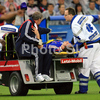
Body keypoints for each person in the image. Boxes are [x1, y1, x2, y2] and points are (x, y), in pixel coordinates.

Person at [64, 7, 100, 94]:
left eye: (66, 15)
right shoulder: (82, 17)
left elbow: (81, 38)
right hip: (97, 43)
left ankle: (83, 90)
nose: (64, 17)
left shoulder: (74, 24)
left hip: (87, 46)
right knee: (96, 68)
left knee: (83, 68)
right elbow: (96, 17)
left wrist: (72, 47)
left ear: (71, 15)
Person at [15, 11, 53, 82]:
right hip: (23, 47)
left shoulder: (34, 25)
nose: (41, 22)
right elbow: (24, 36)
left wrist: (48, 30)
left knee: (48, 52)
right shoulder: (28, 23)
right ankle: (38, 75)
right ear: (38, 19)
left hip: (31, 47)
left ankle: (45, 74)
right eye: (41, 20)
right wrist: (37, 41)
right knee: (38, 53)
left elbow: (40, 30)